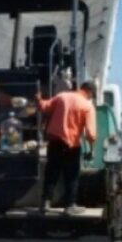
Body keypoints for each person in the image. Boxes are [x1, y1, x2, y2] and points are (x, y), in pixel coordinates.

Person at [35, 80, 98, 215]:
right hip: (71, 145)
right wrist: (92, 149)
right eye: (92, 95)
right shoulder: (87, 105)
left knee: (51, 172)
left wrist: (38, 99)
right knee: (72, 175)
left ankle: (46, 203)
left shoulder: (62, 96)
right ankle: (70, 205)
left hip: (54, 142)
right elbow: (90, 133)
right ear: (90, 92)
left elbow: (43, 106)